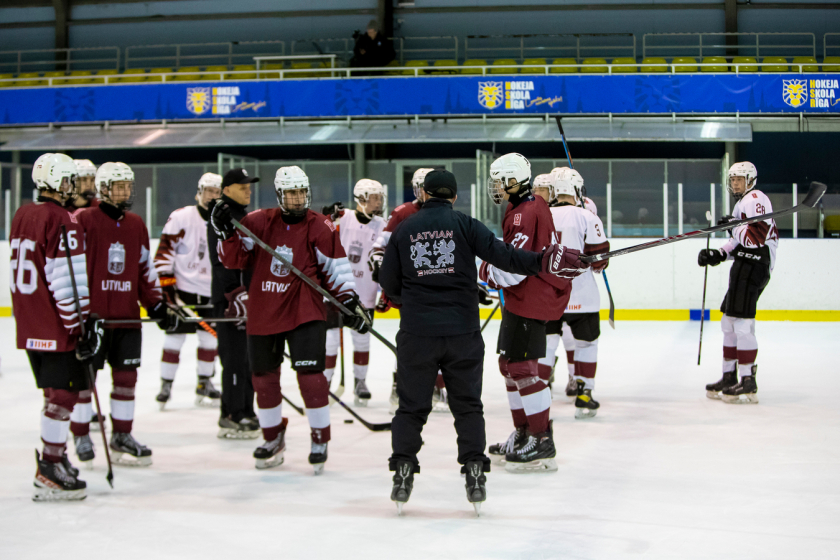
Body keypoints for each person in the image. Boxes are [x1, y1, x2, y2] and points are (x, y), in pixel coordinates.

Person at [380, 169, 586, 514]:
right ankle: (475, 471)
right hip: (462, 333)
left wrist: (414, 301)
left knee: (411, 407)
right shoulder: (465, 224)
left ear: (425, 195)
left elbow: (389, 282)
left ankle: (403, 470)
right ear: (454, 197)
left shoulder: (404, 228)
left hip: (417, 334)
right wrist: (543, 261)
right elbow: (504, 256)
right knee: (467, 407)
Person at [212, 165, 370, 473]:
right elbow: (233, 259)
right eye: (291, 193)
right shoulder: (256, 222)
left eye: (301, 192)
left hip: (305, 312)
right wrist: (225, 233)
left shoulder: (321, 225)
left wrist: (351, 304)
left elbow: (335, 270)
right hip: (263, 313)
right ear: (280, 195)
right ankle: (272, 437)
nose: (298, 199)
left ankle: (320, 438)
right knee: (264, 381)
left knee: (311, 379)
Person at [72, 162, 177, 467]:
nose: (126, 191)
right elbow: (72, 268)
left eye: (128, 186)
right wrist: (79, 313)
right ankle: (80, 434)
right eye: (119, 186)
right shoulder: (83, 219)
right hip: (93, 320)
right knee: (83, 380)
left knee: (126, 378)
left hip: (127, 317)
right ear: (104, 189)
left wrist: (157, 304)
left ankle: (122, 435)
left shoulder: (136, 223)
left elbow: (145, 269)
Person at [480, 153, 579, 473]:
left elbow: (516, 265)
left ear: (513, 180)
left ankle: (541, 438)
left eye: (498, 180)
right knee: (508, 365)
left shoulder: (530, 211)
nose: (494, 187)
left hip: (530, 297)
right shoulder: (520, 208)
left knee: (521, 366)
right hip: (520, 297)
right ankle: (524, 431)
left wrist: (483, 274)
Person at [10, 153, 99, 501]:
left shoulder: (22, 214)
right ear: (60, 183)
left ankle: (57, 456)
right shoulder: (63, 219)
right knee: (64, 395)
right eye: (69, 180)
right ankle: (49, 468)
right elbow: (68, 281)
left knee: (53, 393)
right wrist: (80, 326)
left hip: (29, 322)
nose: (73, 186)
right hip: (56, 325)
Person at [370, 168, 451, 412]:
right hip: (411, 289)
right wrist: (386, 283)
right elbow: (379, 248)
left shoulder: (443, 212)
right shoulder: (403, 212)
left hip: (437, 288)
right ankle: (401, 386)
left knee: (439, 340)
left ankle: (436, 387)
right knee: (412, 342)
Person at [700, 162, 778, 404]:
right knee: (729, 322)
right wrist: (719, 254)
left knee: (743, 326)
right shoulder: (741, 203)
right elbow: (739, 241)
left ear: (751, 180)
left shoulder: (756, 198)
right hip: (744, 264)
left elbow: (754, 240)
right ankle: (729, 376)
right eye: (732, 179)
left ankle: (747, 381)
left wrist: (733, 227)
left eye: (739, 179)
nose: (735, 184)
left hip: (756, 265)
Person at [536, 168, 610, 418]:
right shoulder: (587, 217)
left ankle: (540, 394)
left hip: (547, 295)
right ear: (576, 190)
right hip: (582, 296)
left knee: (546, 344)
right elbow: (600, 262)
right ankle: (584, 393)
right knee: (586, 344)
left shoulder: (539, 214)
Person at [153, 172, 221, 409]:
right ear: (199, 192)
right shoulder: (181, 217)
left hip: (211, 291)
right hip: (183, 292)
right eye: (208, 191)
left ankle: (204, 382)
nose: (212, 196)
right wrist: (168, 290)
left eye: (216, 192)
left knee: (209, 341)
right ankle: (166, 384)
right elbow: (163, 254)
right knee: (174, 339)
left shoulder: (222, 220)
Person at [321, 179, 387, 406]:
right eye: (375, 197)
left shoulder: (382, 224)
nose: (379, 201)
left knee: (362, 340)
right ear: (361, 199)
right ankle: (325, 384)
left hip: (366, 293)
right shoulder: (343, 217)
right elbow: (323, 230)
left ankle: (360, 382)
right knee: (330, 341)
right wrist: (326, 217)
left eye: (380, 197)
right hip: (337, 291)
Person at [207, 168, 260, 439]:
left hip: (249, 300)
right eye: (242, 186)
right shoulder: (222, 216)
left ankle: (247, 409)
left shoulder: (246, 217)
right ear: (226, 190)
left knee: (250, 359)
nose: (248, 189)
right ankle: (231, 413)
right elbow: (221, 261)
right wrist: (234, 294)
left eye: (249, 185)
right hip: (231, 302)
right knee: (235, 360)